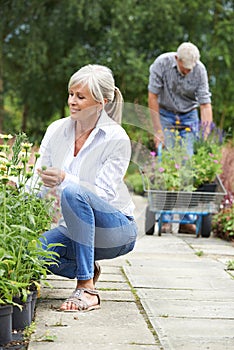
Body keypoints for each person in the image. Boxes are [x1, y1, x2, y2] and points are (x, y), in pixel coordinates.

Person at [36, 64, 138, 312]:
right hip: (73, 229)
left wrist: (64, 178)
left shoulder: (116, 138)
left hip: (116, 229)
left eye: (80, 97)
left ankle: (86, 288)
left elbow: (100, 194)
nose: (72, 101)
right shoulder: (55, 130)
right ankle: (88, 268)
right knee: (33, 253)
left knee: (73, 191)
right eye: (71, 94)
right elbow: (37, 178)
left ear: (101, 103)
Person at [148, 42, 213, 234]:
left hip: (188, 114)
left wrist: (205, 136)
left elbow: (205, 105)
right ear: (177, 59)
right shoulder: (161, 64)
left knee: (188, 163)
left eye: (190, 69)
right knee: (167, 162)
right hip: (166, 113)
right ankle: (166, 219)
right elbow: (152, 97)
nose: (187, 72)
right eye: (185, 69)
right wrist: (158, 131)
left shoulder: (199, 70)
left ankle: (187, 220)